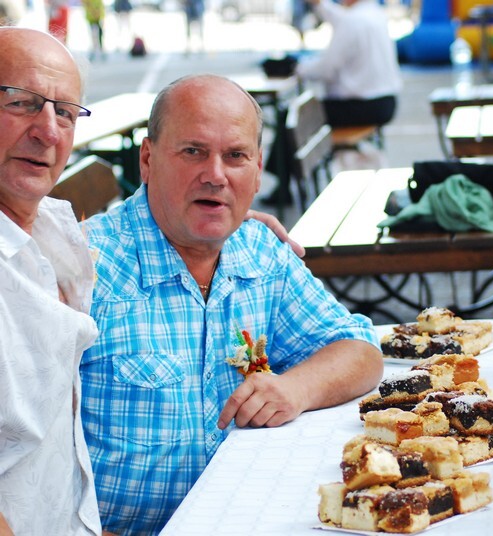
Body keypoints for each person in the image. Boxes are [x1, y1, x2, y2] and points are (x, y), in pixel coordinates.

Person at [79, 74, 383, 534]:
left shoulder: (260, 252)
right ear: (147, 158)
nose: (216, 175)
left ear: (258, 170)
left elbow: (360, 349)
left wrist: (296, 389)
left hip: (253, 516)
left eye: (235, 156)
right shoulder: (85, 268)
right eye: (193, 152)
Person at [0, 27, 102, 535]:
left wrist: (224, 224)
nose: (48, 131)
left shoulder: (52, 228)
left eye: (65, 112)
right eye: (21, 102)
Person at [294, 0, 401, 128]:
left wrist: (297, 68)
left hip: (360, 106)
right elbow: (341, 18)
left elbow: (327, 69)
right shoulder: (375, 13)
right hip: (386, 103)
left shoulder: (352, 21)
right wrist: (320, 4)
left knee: (294, 118)